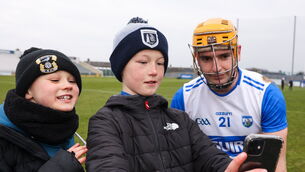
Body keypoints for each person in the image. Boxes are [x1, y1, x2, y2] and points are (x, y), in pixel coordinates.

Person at [86, 17, 266, 172]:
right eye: (143, 62)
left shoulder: (180, 119)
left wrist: (230, 168)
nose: (154, 71)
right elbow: (107, 165)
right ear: (121, 66)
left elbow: (211, 158)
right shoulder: (105, 122)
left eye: (160, 62)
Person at [171, 18, 288, 171]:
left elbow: (277, 164)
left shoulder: (266, 94)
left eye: (224, 56)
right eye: (206, 58)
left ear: (237, 52)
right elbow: (179, 160)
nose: (217, 68)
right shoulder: (184, 98)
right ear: (196, 59)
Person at [0, 48, 87, 172]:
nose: (68, 85)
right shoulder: (4, 136)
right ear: (28, 90)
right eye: (55, 80)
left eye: (72, 81)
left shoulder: (63, 124)